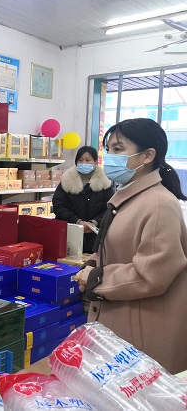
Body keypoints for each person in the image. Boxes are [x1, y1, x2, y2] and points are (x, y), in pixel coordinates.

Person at [76, 118, 187, 374]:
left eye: (118, 149)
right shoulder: (127, 198)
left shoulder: (158, 204)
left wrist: (95, 278)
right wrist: (92, 264)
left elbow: (152, 275)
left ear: (148, 155)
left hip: (142, 329)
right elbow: (114, 246)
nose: (109, 157)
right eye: (108, 149)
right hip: (119, 318)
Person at [53, 145, 114, 253]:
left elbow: (110, 207)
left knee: (92, 260)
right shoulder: (67, 179)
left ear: (95, 161)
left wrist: (94, 222)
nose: (83, 163)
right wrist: (77, 221)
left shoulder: (105, 182)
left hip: (96, 234)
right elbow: (58, 204)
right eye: (80, 160)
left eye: (88, 160)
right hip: (69, 231)